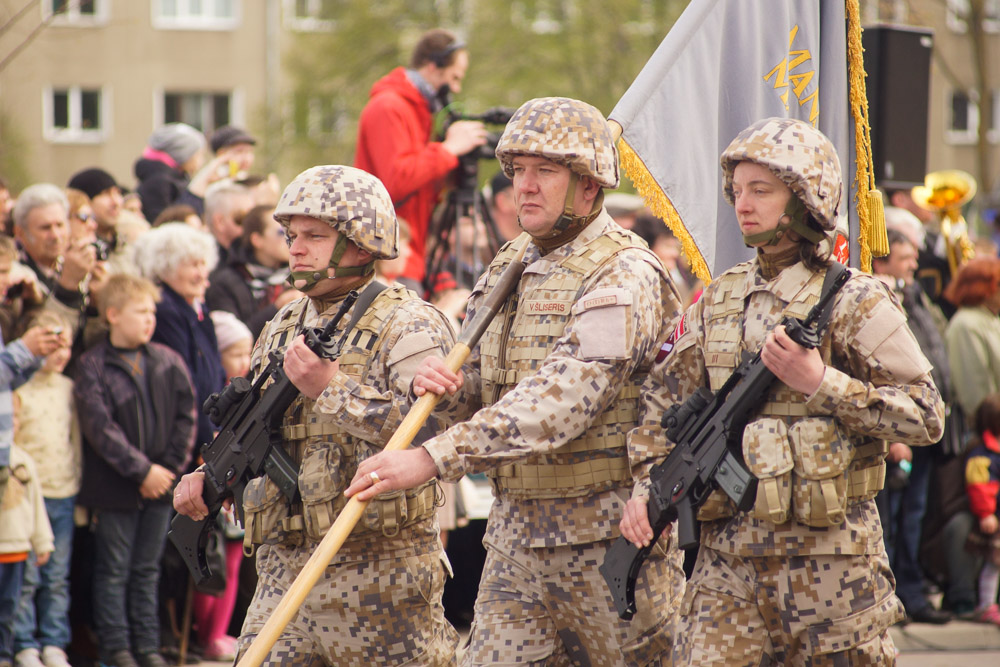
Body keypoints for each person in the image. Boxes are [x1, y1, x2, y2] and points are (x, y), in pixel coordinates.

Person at [347, 97, 684, 665]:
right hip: (516, 543)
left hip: (608, 543)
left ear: (590, 185)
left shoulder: (625, 271)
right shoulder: (511, 264)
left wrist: (433, 457)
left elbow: (564, 399)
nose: (522, 187)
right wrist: (436, 388)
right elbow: (477, 385)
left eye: (545, 171)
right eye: (516, 171)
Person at [619, 117, 945, 664]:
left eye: (761, 190)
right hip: (726, 572)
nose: (743, 203)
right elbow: (660, 401)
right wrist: (644, 484)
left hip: (831, 571)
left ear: (804, 199)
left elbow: (926, 415)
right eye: (738, 191)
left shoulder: (853, 299)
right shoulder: (719, 297)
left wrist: (821, 384)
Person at [172, 165, 462, 664]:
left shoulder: (409, 322)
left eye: (314, 236)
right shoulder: (282, 324)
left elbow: (432, 437)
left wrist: (330, 389)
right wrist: (210, 475)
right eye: (291, 235)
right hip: (284, 572)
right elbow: (261, 430)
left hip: (380, 576)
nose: (296, 247)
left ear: (362, 244)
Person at [73, 274, 197, 667]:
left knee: (148, 569)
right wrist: (141, 471)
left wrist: (168, 470)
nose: (149, 319)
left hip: (160, 487)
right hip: (115, 488)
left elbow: (186, 417)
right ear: (112, 314)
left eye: (152, 312)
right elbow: (100, 428)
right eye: (140, 311)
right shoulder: (92, 365)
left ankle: (147, 645)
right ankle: (116, 647)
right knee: (113, 570)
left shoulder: (168, 361)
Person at [354, 27, 488, 285]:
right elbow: (396, 182)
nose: (456, 89)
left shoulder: (416, 111)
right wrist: (449, 149)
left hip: (409, 255)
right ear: (433, 66)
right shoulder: (389, 107)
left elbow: (420, 188)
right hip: (388, 258)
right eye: (455, 77)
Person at [871, 228, 955, 624]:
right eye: (906, 258)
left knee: (915, 514)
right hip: (898, 434)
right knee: (894, 519)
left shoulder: (915, 295)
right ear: (883, 262)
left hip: (923, 427)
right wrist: (893, 437)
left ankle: (912, 592)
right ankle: (895, 598)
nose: (914, 265)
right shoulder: (877, 298)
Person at [10, 313, 78, 667]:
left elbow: (75, 442)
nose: (60, 353)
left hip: (63, 494)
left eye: (65, 344)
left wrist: (78, 487)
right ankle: (24, 642)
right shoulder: (18, 390)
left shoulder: (69, 388)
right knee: (27, 576)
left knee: (56, 575)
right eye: (52, 343)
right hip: (25, 500)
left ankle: (54, 642)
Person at [128, 223, 224, 454]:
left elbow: (215, 370)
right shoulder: (166, 310)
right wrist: (205, 440)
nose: (202, 273)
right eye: (192, 265)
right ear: (165, 268)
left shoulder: (195, 307)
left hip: (209, 427)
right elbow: (184, 382)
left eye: (203, 263)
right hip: (187, 439)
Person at [1, 435, 53, 667]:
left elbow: (36, 505)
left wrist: (42, 542)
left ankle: (4, 655)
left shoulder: (23, 460)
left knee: (10, 608)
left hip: (17, 550)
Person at [205, 203, 292, 341]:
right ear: (257, 240)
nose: (290, 238)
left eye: (291, 231)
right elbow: (230, 340)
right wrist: (277, 309)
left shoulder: (296, 276)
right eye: (281, 232)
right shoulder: (225, 283)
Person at [943, 257, 1000, 422]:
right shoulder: (966, 325)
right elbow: (974, 393)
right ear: (981, 288)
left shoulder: (990, 318)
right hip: (988, 430)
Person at [965, 392, 1000, 625]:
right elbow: (979, 486)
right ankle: (986, 604)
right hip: (992, 520)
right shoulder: (982, 454)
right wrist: (986, 512)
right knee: (993, 562)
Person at [133, 123, 207, 225]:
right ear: (183, 153)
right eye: (198, 155)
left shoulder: (178, 176)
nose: (201, 162)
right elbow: (164, 221)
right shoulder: (158, 182)